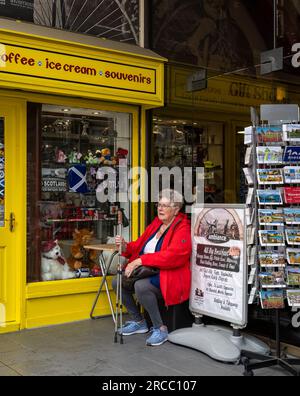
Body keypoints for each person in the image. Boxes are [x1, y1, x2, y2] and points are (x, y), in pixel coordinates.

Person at [113, 189, 192, 347]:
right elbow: (139, 244)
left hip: (168, 274)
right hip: (147, 270)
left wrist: (140, 261)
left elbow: (174, 256)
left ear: (176, 209)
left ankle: (160, 328)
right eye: (159, 205)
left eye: (165, 205)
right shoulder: (156, 223)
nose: (160, 209)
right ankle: (139, 322)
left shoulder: (182, 227)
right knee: (117, 281)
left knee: (141, 286)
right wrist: (125, 246)